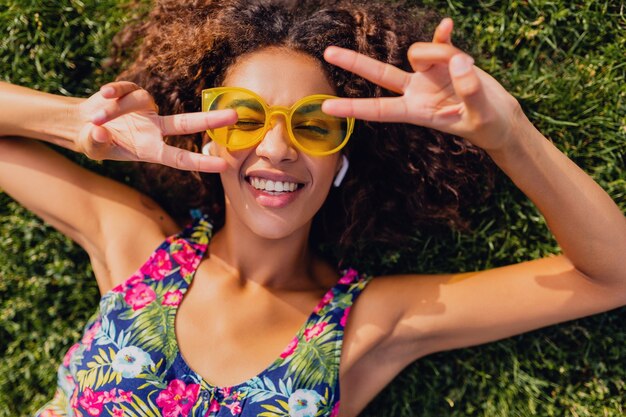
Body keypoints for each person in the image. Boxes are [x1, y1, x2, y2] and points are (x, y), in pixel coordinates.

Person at [0, 0, 624, 416]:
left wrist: (507, 133)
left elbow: (612, 274)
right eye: (245, 119)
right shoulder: (137, 246)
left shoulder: (364, 327)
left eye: (313, 127)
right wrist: (77, 123)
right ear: (211, 138)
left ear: (342, 162)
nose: (276, 147)